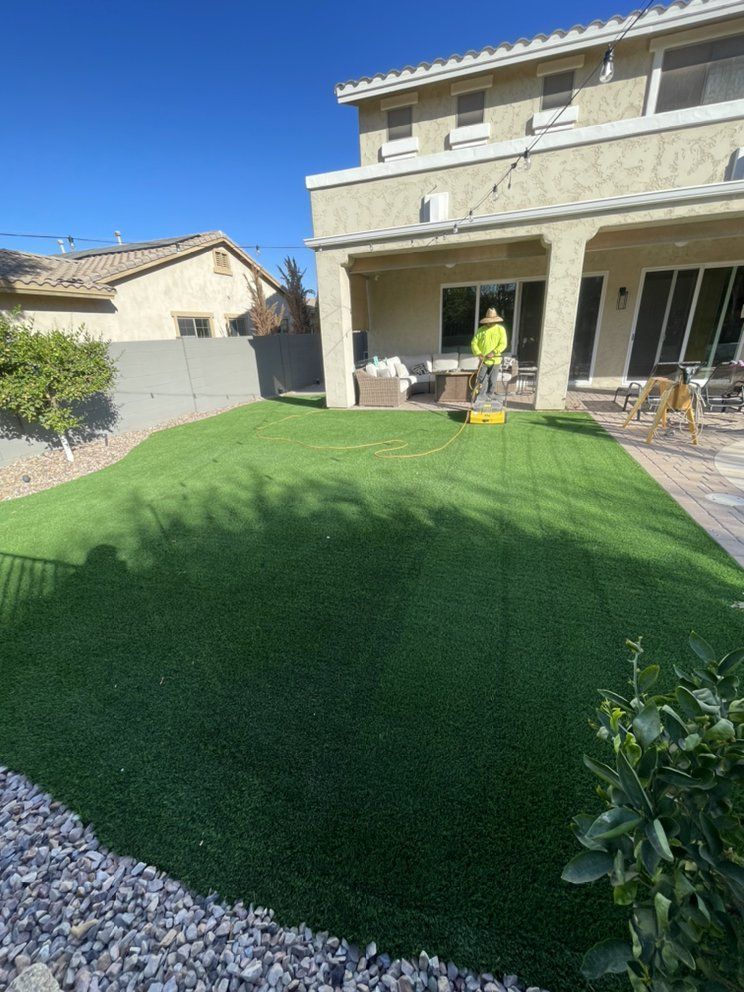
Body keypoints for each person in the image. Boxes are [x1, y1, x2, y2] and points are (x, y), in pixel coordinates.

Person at [471, 307, 508, 405]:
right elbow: (474, 343)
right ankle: (481, 397)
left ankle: (490, 396)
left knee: (492, 380)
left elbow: (503, 343)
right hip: (483, 360)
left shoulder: (500, 329)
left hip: (495, 360)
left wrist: (494, 352)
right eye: (488, 321)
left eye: (492, 321)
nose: (489, 323)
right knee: (481, 379)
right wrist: (478, 353)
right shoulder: (481, 330)